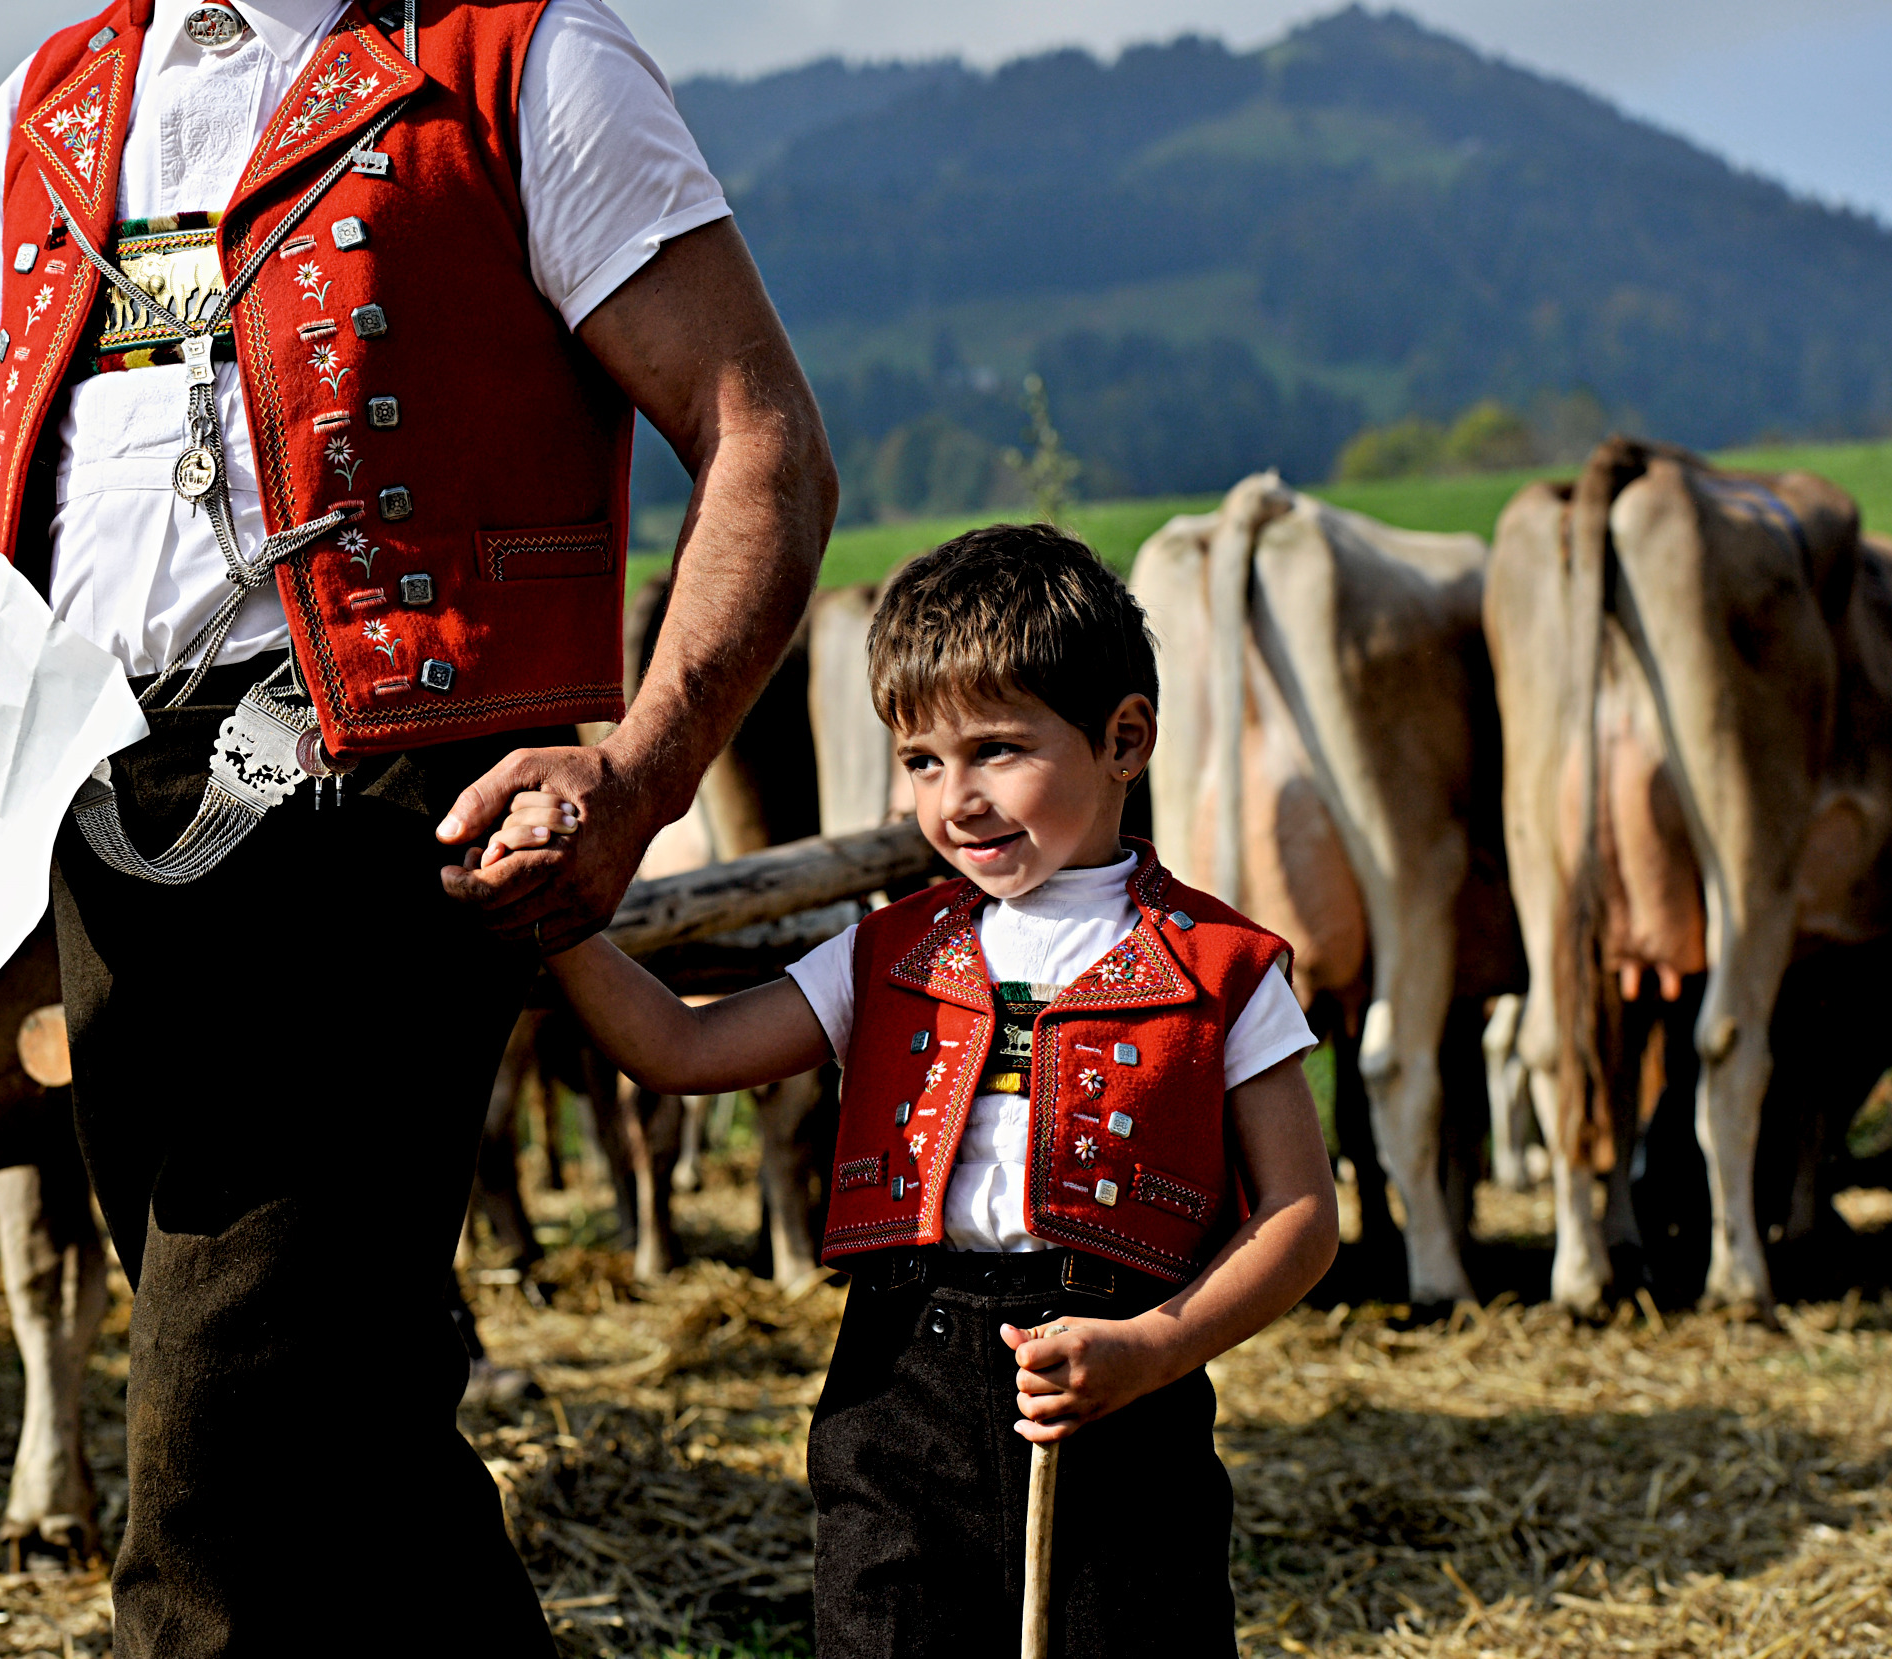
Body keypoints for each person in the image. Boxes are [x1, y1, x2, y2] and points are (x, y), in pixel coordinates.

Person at [0, 0, 833, 1652]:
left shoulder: (523, 58)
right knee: (346, 1421)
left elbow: (760, 434)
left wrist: (642, 774)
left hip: (382, 795)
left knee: (216, 1444)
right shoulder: (49, 99)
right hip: (107, 809)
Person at [511, 525, 1339, 1657]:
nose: (958, 799)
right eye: (921, 761)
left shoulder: (1222, 966)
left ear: (1124, 739)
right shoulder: (885, 952)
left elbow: (1301, 1213)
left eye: (996, 749)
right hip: (897, 1389)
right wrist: (556, 917)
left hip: (1122, 1400)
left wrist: (1156, 1346)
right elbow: (679, 1047)